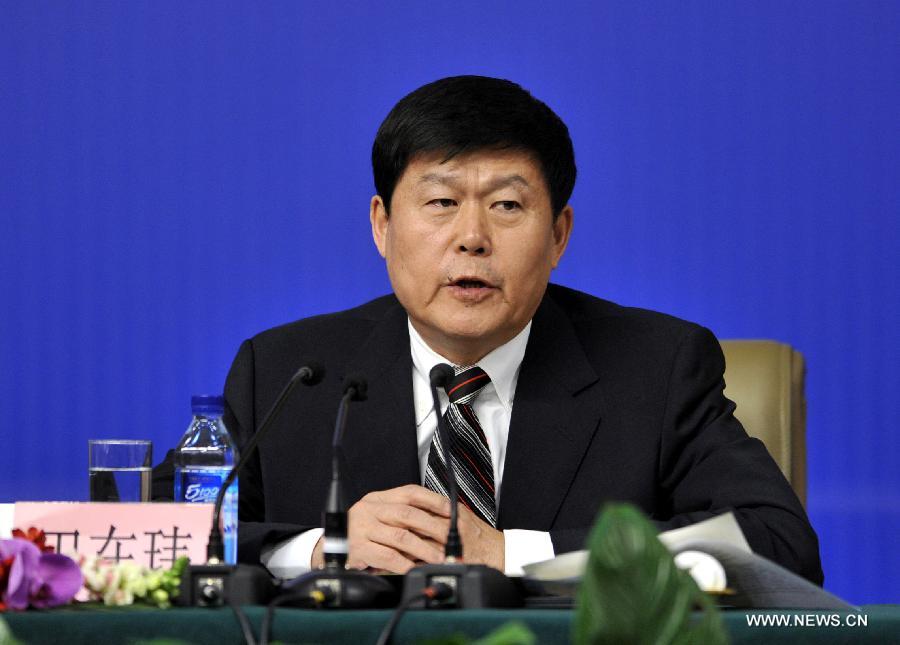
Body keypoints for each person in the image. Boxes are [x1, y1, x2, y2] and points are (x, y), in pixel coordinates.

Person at [217, 75, 823, 583]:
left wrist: (513, 556)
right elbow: (145, 533)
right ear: (382, 226)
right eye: (440, 203)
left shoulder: (656, 369)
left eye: (507, 206)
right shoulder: (288, 372)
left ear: (558, 234)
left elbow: (778, 546)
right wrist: (322, 552)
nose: (472, 237)